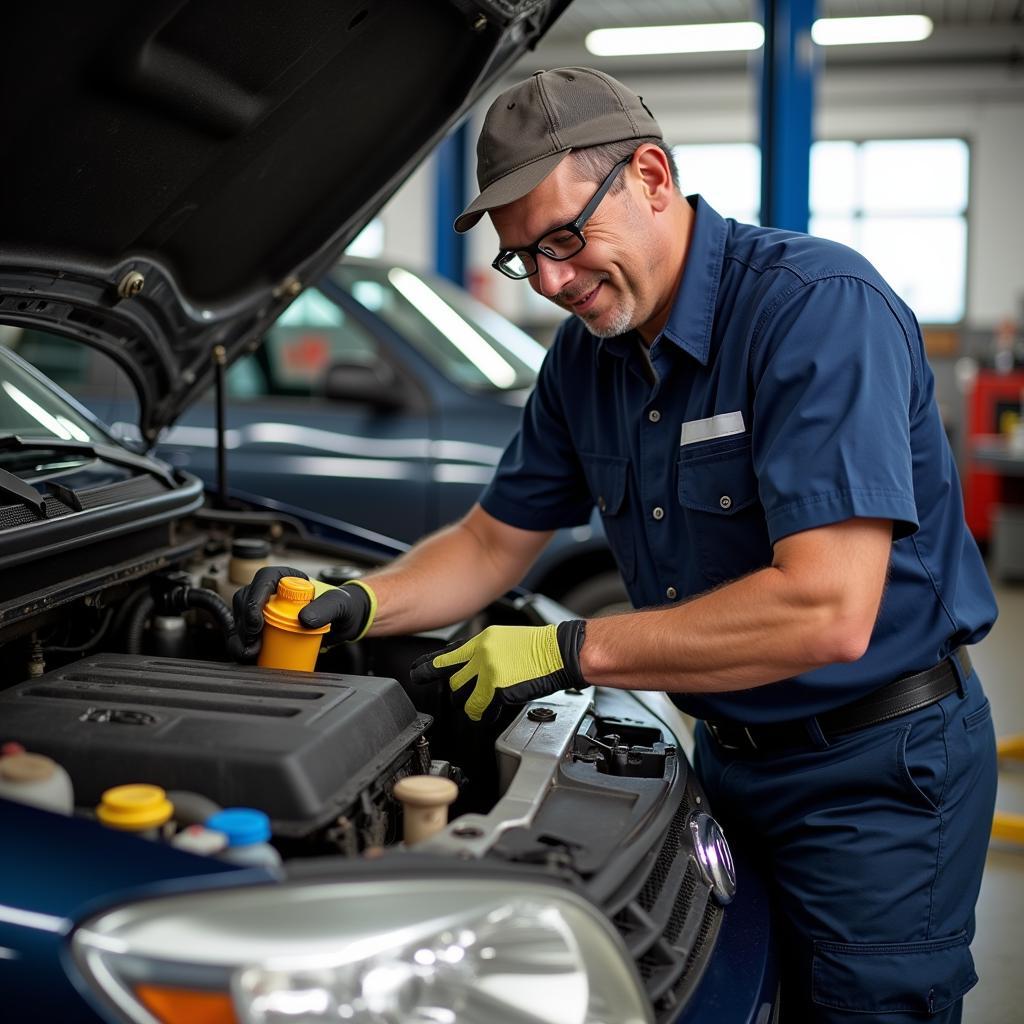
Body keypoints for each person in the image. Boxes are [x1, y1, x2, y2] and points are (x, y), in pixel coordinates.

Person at [233, 68, 998, 1022]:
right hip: (725, 757)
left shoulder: (815, 311)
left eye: (563, 239)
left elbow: (827, 609)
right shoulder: (586, 361)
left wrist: (574, 650)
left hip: (874, 777)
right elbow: (488, 543)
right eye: (525, 260)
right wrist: (361, 601)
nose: (551, 282)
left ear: (649, 175)